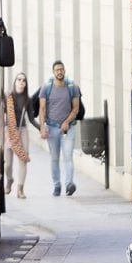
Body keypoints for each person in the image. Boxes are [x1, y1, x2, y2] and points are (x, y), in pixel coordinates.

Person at [38, 60, 82, 196]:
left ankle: (69, 184)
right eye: (57, 70)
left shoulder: (72, 87)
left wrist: (67, 122)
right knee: (55, 158)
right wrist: (42, 127)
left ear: (64, 71)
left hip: (68, 128)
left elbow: (76, 109)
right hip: (52, 128)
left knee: (68, 156)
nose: (59, 72)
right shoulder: (46, 88)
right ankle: (57, 185)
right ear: (53, 72)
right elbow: (42, 109)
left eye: (61, 69)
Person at [3, 73, 39, 198]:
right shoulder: (8, 97)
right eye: (19, 79)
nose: (21, 82)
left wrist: (41, 128)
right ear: (15, 82)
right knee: (7, 163)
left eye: (24, 80)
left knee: (23, 160)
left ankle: (20, 189)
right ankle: (9, 180)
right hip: (9, 130)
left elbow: (31, 119)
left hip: (22, 130)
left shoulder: (27, 99)